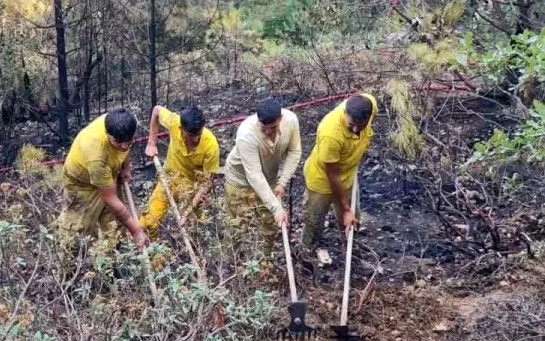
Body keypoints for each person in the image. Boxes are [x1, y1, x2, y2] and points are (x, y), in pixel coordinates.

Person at [59, 108, 148, 250]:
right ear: (107, 134)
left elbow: (125, 147)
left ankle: (112, 264)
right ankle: (68, 270)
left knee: (114, 226)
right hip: (82, 184)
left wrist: (125, 167)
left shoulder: (121, 124)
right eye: (118, 142)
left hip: (107, 175)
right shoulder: (96, 153)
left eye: (128, 141)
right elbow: (110, 198)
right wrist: (136, 231)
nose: (124, 146)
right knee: (76, 233)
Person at [223, 98, 302, 258]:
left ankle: (263, 261)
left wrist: (282, 183)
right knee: (237, 226)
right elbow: (255, 175)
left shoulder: (291, 121)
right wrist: (276, 208)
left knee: (270, 225)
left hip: (270, 179)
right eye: (263, 128)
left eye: (272, 128)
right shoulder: (246, 134)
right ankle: (230, 262)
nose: (266, 132)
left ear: (280, 119)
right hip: (239, 181)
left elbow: (295, 151)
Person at [302, 93, 378, 254]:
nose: (356, 129)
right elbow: (333, 175)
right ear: (345, 114)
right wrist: (345, 209)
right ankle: (307, 253)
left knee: (352, 218)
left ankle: (351, 249)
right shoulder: (330, 134)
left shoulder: (369, 103)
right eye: (351, 125)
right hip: (322, 179)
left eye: (361, 125)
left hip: (347, 174)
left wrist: (348, 212)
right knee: (314, 220)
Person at [142, 104, 220, 236]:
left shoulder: (211, 145)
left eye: (198, 135)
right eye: (190, 135)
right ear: (180, 128)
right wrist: (151, 143)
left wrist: (188, 211)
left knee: (197, 229)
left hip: (193, 190)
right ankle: (153, 254)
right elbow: (156, 110)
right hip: (169, 179)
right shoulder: (174, 122)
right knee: (149, 223)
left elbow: (207, 183)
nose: (195, 139)